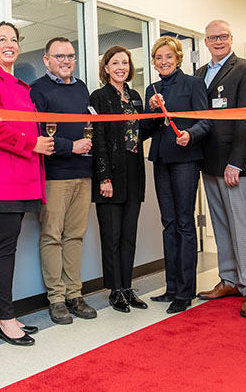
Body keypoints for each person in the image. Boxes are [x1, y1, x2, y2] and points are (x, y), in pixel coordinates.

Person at [0, 21, 54, 345]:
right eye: (2, 39)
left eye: (13, 39)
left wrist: (36, 140)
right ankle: (5, 317)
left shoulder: (19, 85)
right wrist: (31, 144)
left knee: (7, 247)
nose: (9, 44)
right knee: (4, 248)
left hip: (16, 181)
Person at [195, 19, 246, 318]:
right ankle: (229, 280)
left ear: (231, 38)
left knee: (242, 226)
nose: (218, 41)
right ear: (206, 42)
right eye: (213, 38)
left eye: (223, 36)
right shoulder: (199, 74)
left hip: (234, 164)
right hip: (207, 162)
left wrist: (237, 161)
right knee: (221, 225)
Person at [30, 37, 97, 324]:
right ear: (46, 60)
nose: (66, 61)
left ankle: (75, 293)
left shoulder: (82, 88)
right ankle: (56, 298)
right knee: (52, 235)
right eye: (59, 56)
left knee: (75, 235)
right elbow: (38, 136)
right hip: (55, 175)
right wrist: (72, 147)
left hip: (83, 172)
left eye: (70, 56)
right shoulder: (37, 91)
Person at [145, 36, 210, 314]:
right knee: (168, 223)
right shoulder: (152, 88)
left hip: (185, 159)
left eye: (168, 57)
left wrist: (190, 135)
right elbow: (147, 131)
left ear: (178, 58)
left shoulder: (194, 84)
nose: (163, 62)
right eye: (158, 58)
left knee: (184, 223)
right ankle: (171, 287)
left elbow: (206, 121)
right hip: (161, 160)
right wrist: (150, 111)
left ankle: (185, 291)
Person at [90, 46, 147, 313]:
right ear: (106, 68)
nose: (121, 67)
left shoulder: (135, 97)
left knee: (129, 236)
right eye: (115, 63)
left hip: (134, 172)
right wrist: (104, 177)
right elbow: (98, 137)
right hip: (110, 175)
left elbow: (142, 132)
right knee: (111, 236)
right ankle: (114, 290)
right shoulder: (99, 97)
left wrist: (159, 111)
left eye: (125, 63)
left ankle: (127, 286)